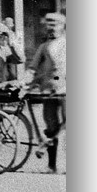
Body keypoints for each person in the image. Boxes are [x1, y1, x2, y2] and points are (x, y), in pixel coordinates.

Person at [25, 12, 66, 174]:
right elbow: (33, 67)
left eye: (55, 26)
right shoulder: (44, 47)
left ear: (63, 26)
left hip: (67, 89)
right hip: (48, 91)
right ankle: (51, 165)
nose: (52, 29)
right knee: (51, 126)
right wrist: (25, 81)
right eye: (49, 26)